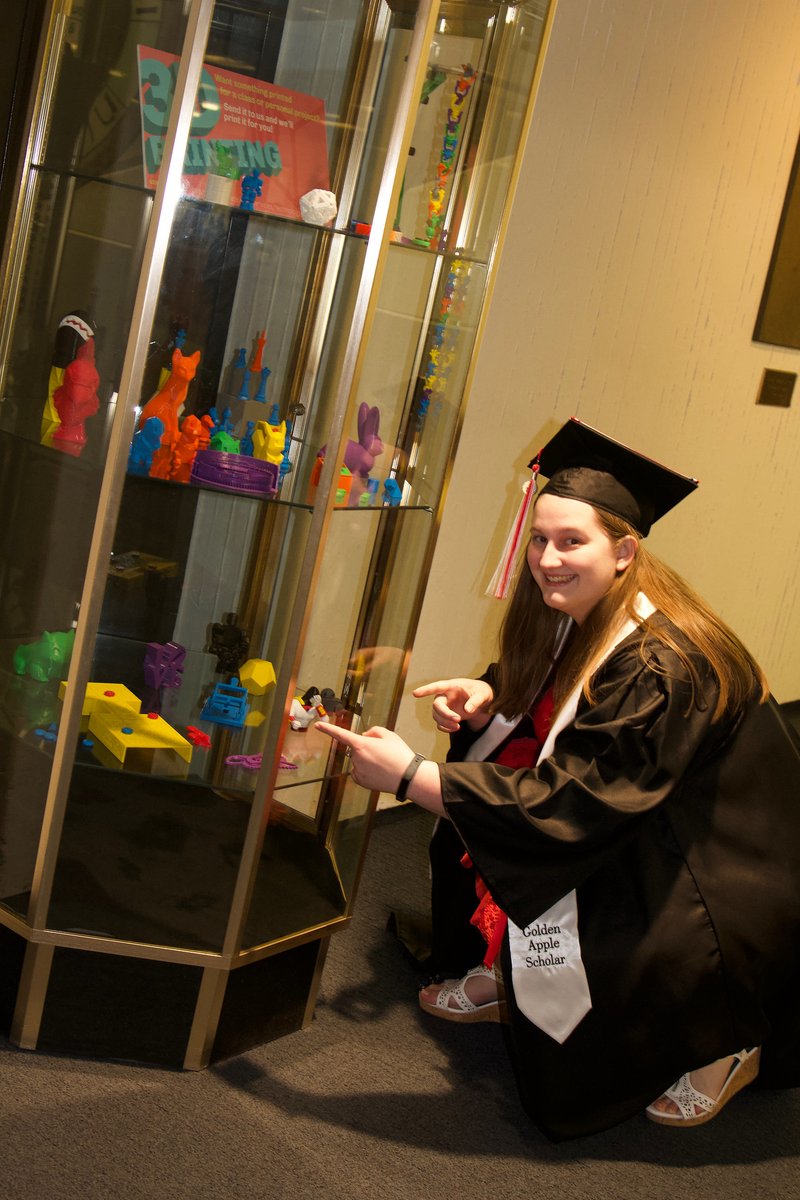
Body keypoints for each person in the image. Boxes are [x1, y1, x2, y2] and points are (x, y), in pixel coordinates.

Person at [318, 418, 800, 1141]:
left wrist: (413, 776)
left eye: (572, 541)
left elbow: (580, 804)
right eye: (540, 539)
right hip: (637, 813)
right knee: (476, 827)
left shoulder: (663, 662)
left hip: (711, 870)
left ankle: (727, 1042)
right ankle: (508, 975)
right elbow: (557, 704)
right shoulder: (582, 614)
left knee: (547, 870)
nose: (547, 558)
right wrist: (491, 698)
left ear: (625, 551)